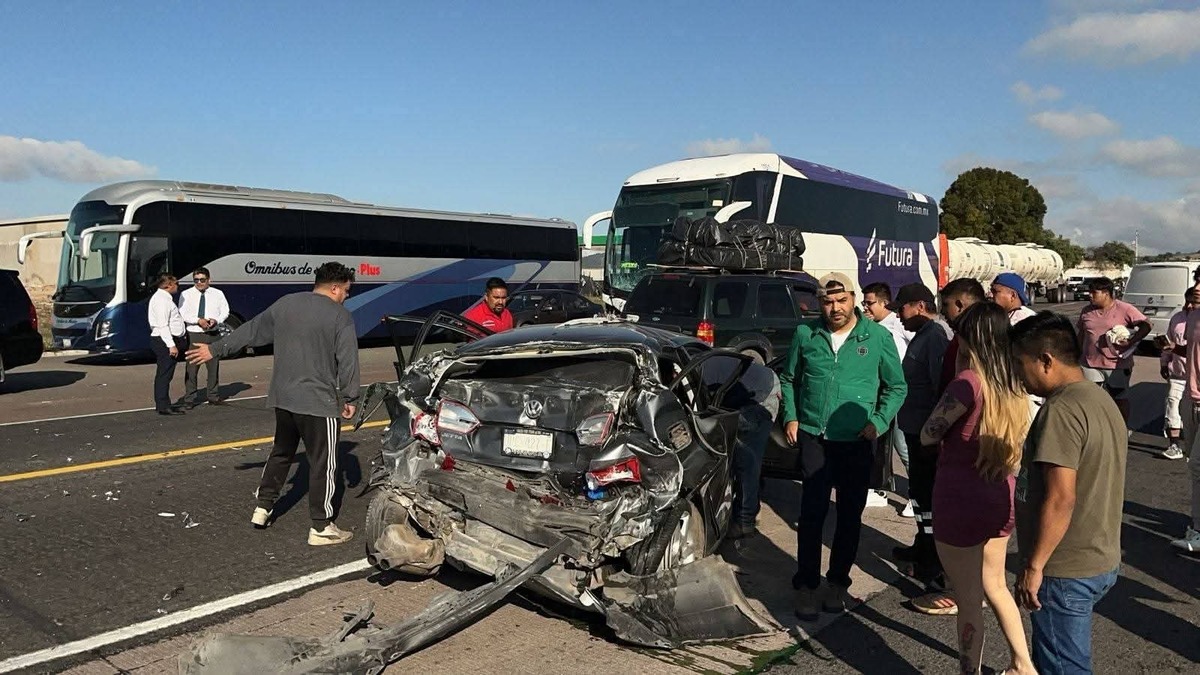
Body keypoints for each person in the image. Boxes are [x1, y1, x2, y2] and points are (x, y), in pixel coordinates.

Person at [187, 262, 361, 546]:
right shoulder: (339, 315)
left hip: (284, 398)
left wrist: (215, 349)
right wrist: (351, 397)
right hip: (318, 401)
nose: (346, 296)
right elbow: (348, 359)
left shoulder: (286, 304)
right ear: (334, 287)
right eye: (346, 291)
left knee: (281, 452)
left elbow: (251, 331)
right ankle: (321, 526)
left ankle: (263, 507)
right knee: (324, 463)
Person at [780, 272, 907, 621]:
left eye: (842, 300)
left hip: (855, 441)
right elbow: (789, 377)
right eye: (827, 301)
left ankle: (837, 583)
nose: (834, 308)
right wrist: (791, 416)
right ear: (819, 302)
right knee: (812, 513)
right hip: (814, 437)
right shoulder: (806, 334)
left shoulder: (877, 337)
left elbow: (896, 387)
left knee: (849, 515)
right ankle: (806, 585)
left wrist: (878, 423)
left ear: (853, 299)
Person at [920, 302, 1035, 675]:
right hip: (998, 492)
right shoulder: (1013, 381)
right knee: (996, 586)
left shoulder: (968, 381)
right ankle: (1023, 663)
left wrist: (958, 370)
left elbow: (927, 434)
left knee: (969, 600)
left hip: (960, 498)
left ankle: (970, 671)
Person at [1012, 312, 1127, 674]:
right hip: (1100, 556)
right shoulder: (1099, 398)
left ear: (1045, 360)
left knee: (1064, 666)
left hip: (1065, 568)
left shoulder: (1060, 411)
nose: (1018, 375)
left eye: (1020, 363)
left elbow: (1061, 497)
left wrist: (1034, 566)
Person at [888, 283, 955, 614]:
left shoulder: (935, 337)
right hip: (915, 430)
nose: (898, 315)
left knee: (928, 499)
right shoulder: (923, 334)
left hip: (925, 436)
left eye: (902, 308)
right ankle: (921, 546)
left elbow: (939, 390)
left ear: (918, 306)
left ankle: (933, 562)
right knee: (918, 496)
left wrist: (934, 437)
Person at [700, 355, 780, 540]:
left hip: (760, 396)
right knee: (744, 460)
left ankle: (744, 522)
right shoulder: (691, 360)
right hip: (750, 387)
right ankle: (752, 505)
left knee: (745, 461)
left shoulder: (689, 373)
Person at [862, 282, 915, 513]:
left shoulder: (898, 324)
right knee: (880, 444)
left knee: (902, 445)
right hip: (879, 394)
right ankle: (877, 489)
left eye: (870, 303)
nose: (866, 307)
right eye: (864, 302)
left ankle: (918, 495)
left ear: (884, 303)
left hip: (900, 394)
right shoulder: (869, 326)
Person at [1076, 276, 1151, 427]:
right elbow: (1082, 334)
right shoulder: (1086, 311)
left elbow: (1146, 325)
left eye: (1093, 292)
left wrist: (1132, 340)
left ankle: (1122, 429)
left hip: (1117, 365)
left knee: (1119, 399)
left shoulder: (1124, 309)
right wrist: (1075, 355)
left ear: (1106, 293)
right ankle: (1095, 430)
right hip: (1089, 364)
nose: (1089, 295)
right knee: (1090, 399)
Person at [1170, 280, 1200, 552]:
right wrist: (1170, 351)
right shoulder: (1193, 317)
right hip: (1193, 400)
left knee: (1198, 466)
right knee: (1195, 466)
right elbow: (1189, 349)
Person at [178, 267, 230, 408]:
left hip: (213, 333)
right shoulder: (186, 294)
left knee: (213, 367)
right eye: (196, 280)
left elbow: (225, 310)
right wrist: (198, 320)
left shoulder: (218, 294)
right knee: (192, 368)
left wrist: (216, 320)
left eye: (202, 280)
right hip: (195, 333)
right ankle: (190, 398)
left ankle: (213, 396)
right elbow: (182, 313)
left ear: (209, 280)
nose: (199, 283)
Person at [1157, 286, 1200, 461]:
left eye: (1194, 301)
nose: (1189, 305)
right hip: (1180, 376)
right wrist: (1165, 360)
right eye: (1187, 301)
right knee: (1173, 408)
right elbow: (1185, 348)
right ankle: (1174, 445)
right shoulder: (1180, 319)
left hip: (1195, 384)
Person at [938, 278, 988, 395]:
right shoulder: (959, 338)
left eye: (945, 305)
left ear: (959, 305)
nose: (942, 311)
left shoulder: (978, 341)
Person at [148, 274, 187, 416]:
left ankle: (164, 403)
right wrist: (171, 345)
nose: (177, 286)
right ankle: (163, 405)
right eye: (176, 283)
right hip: (164, 340)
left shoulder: (164, 299)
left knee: (166, 373)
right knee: (164, 374)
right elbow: (163, 325)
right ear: (168, 285)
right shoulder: (161, 301)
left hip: (168, 339)